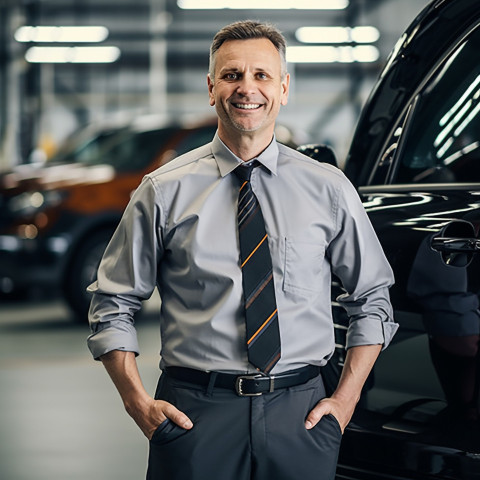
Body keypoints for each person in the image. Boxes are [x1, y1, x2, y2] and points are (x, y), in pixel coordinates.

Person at [87, 20, 398, 480]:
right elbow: (113, 302)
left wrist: (345, 400)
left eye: (261, 75)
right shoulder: (163, 191)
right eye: (232, 76)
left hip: (302, 414)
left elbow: (372, 298)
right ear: (211, 88)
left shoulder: (328, 189)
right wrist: (137, 403)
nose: (246, 88)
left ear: (284, 87)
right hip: (195, 415)